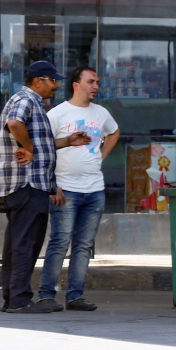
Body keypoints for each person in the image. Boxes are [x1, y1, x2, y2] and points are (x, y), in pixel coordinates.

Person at [0, 61, 90, 314]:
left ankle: (12, 299)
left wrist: (67, 141)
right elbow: (15, 124)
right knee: (26, 243)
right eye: (53, 80)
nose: (57, 85)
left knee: (17, 244)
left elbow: (40, 143)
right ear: (38, 80)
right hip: (27, 184)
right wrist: (26, 148)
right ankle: (19, 299)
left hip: (30, 185)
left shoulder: (31, 102)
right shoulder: (26, 99)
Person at [37, 66, 120, 312]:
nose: (95, 86)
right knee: (60, 242)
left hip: (94, 189)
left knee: (84, 245)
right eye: (91, 81)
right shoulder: (57, 114)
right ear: (76, 84)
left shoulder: (101, 113)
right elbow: (44, 148)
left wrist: (101, 156)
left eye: (97, 82)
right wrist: (52, 185)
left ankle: (75, 296)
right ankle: (46, 295)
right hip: (66, 189)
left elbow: (114, 132)